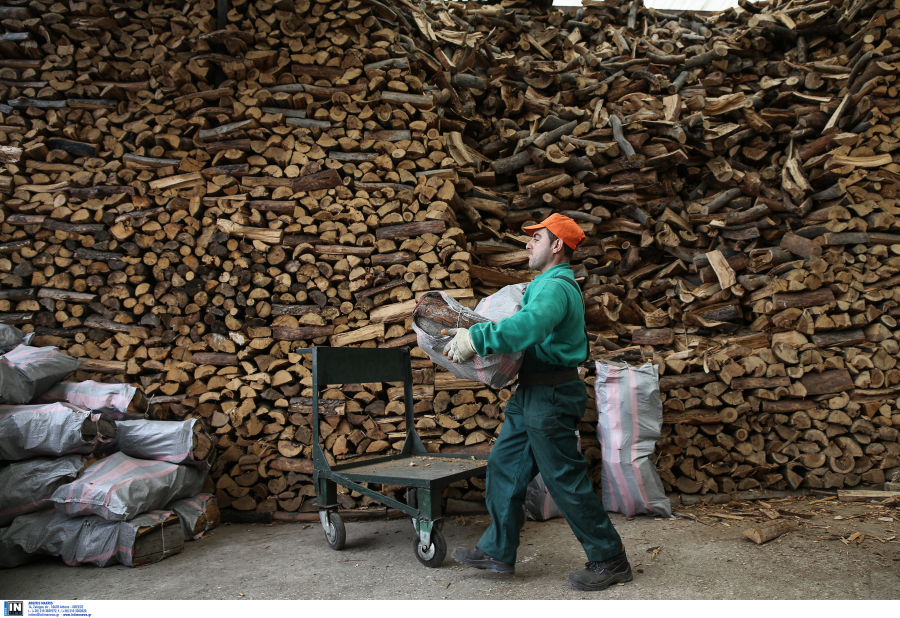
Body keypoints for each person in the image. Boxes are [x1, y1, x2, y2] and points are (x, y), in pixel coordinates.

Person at [441, 213, 631, 591]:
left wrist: (476, 339)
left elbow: (531, 327)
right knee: (505, 466)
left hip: (552, 393)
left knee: (563, 479)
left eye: (537, 238)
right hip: (531, 391)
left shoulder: (557, 286)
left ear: (557, 245)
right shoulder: (543, 284)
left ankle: (610, 558)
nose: (528, 244)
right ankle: (497, 550)